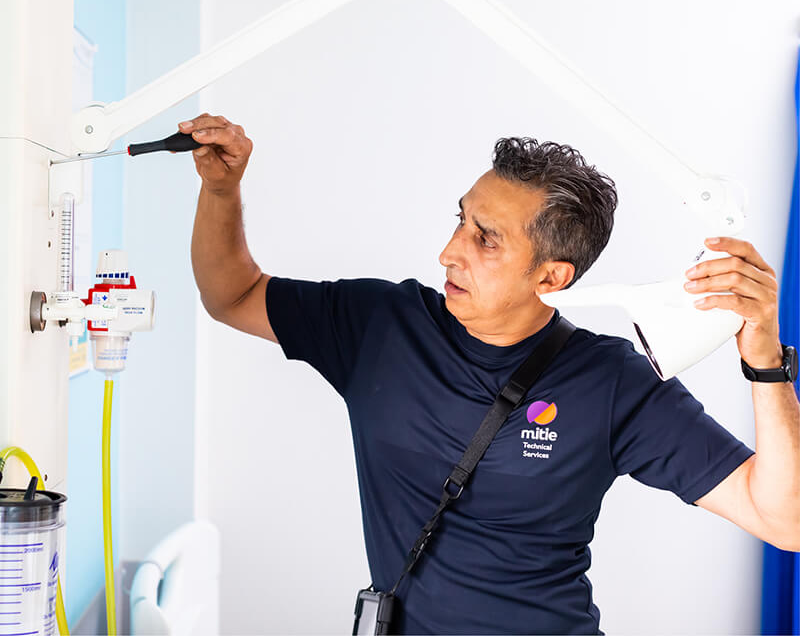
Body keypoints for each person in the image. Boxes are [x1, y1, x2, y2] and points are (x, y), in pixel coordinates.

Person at [183, 113, 800, 635]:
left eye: (486, 240)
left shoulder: (612, 382)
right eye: (460, 221)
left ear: (551, 276)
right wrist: (220, 192)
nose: (450, 251)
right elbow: (232, 295)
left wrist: (764, 360)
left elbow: (785, 520)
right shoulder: (382, 324)